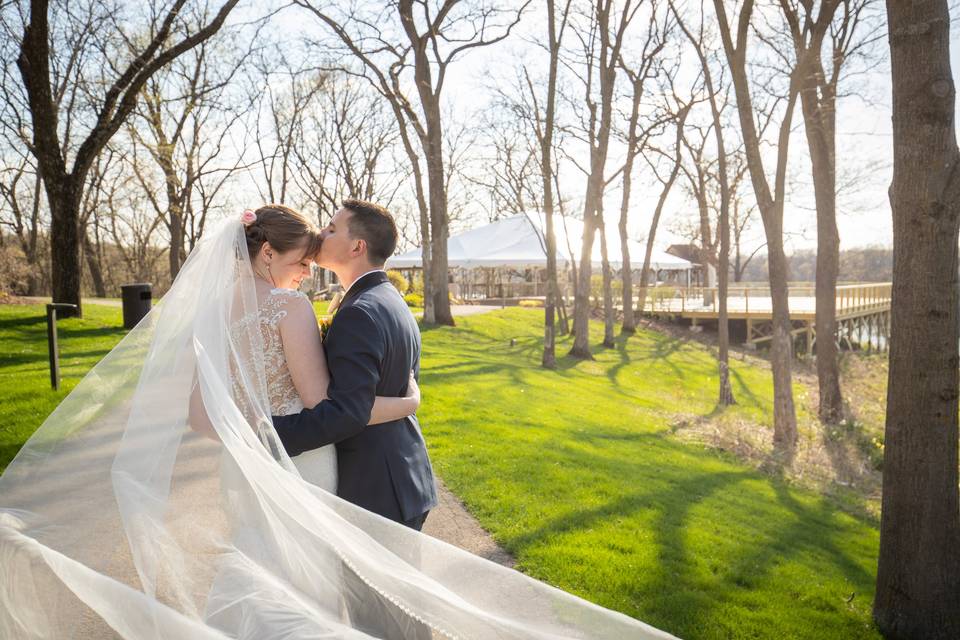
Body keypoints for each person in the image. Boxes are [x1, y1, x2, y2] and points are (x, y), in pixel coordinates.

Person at [0, 205, 675, 640]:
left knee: (265, 572)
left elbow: (205, 418)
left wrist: (251, 442)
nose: (306, 266)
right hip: (303, 465)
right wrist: (405, 404)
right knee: (311, 583)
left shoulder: (212, 319)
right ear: (269, 256)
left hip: (245, 469)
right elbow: (338, 412)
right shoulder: (307, 310)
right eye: (298, 259)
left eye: (318, 247)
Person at [272, 199, 438, 531]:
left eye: (332, 229)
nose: (322, 233)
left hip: (376, 486)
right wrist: (409, 404)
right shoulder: (388, 299)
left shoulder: (359, 311)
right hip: (403, 473)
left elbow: (348, 411)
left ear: (357, 247)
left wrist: (268, 434)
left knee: (364, 585)